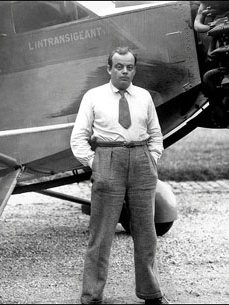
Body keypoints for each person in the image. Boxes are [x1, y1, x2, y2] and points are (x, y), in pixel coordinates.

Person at [70, 46, 169, 304]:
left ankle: (151, 293)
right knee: (101, 234)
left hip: (140, 160)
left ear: (134, 69)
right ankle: (91, 296)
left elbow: (156, 134)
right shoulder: (94, 96)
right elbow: (78, 137)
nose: (124, 71)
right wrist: (96, 163)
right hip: (108, 158)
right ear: (109, 69)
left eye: (129, 67)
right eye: (119, 66)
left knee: (146, 232)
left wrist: (151, 159)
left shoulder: (144, 97)